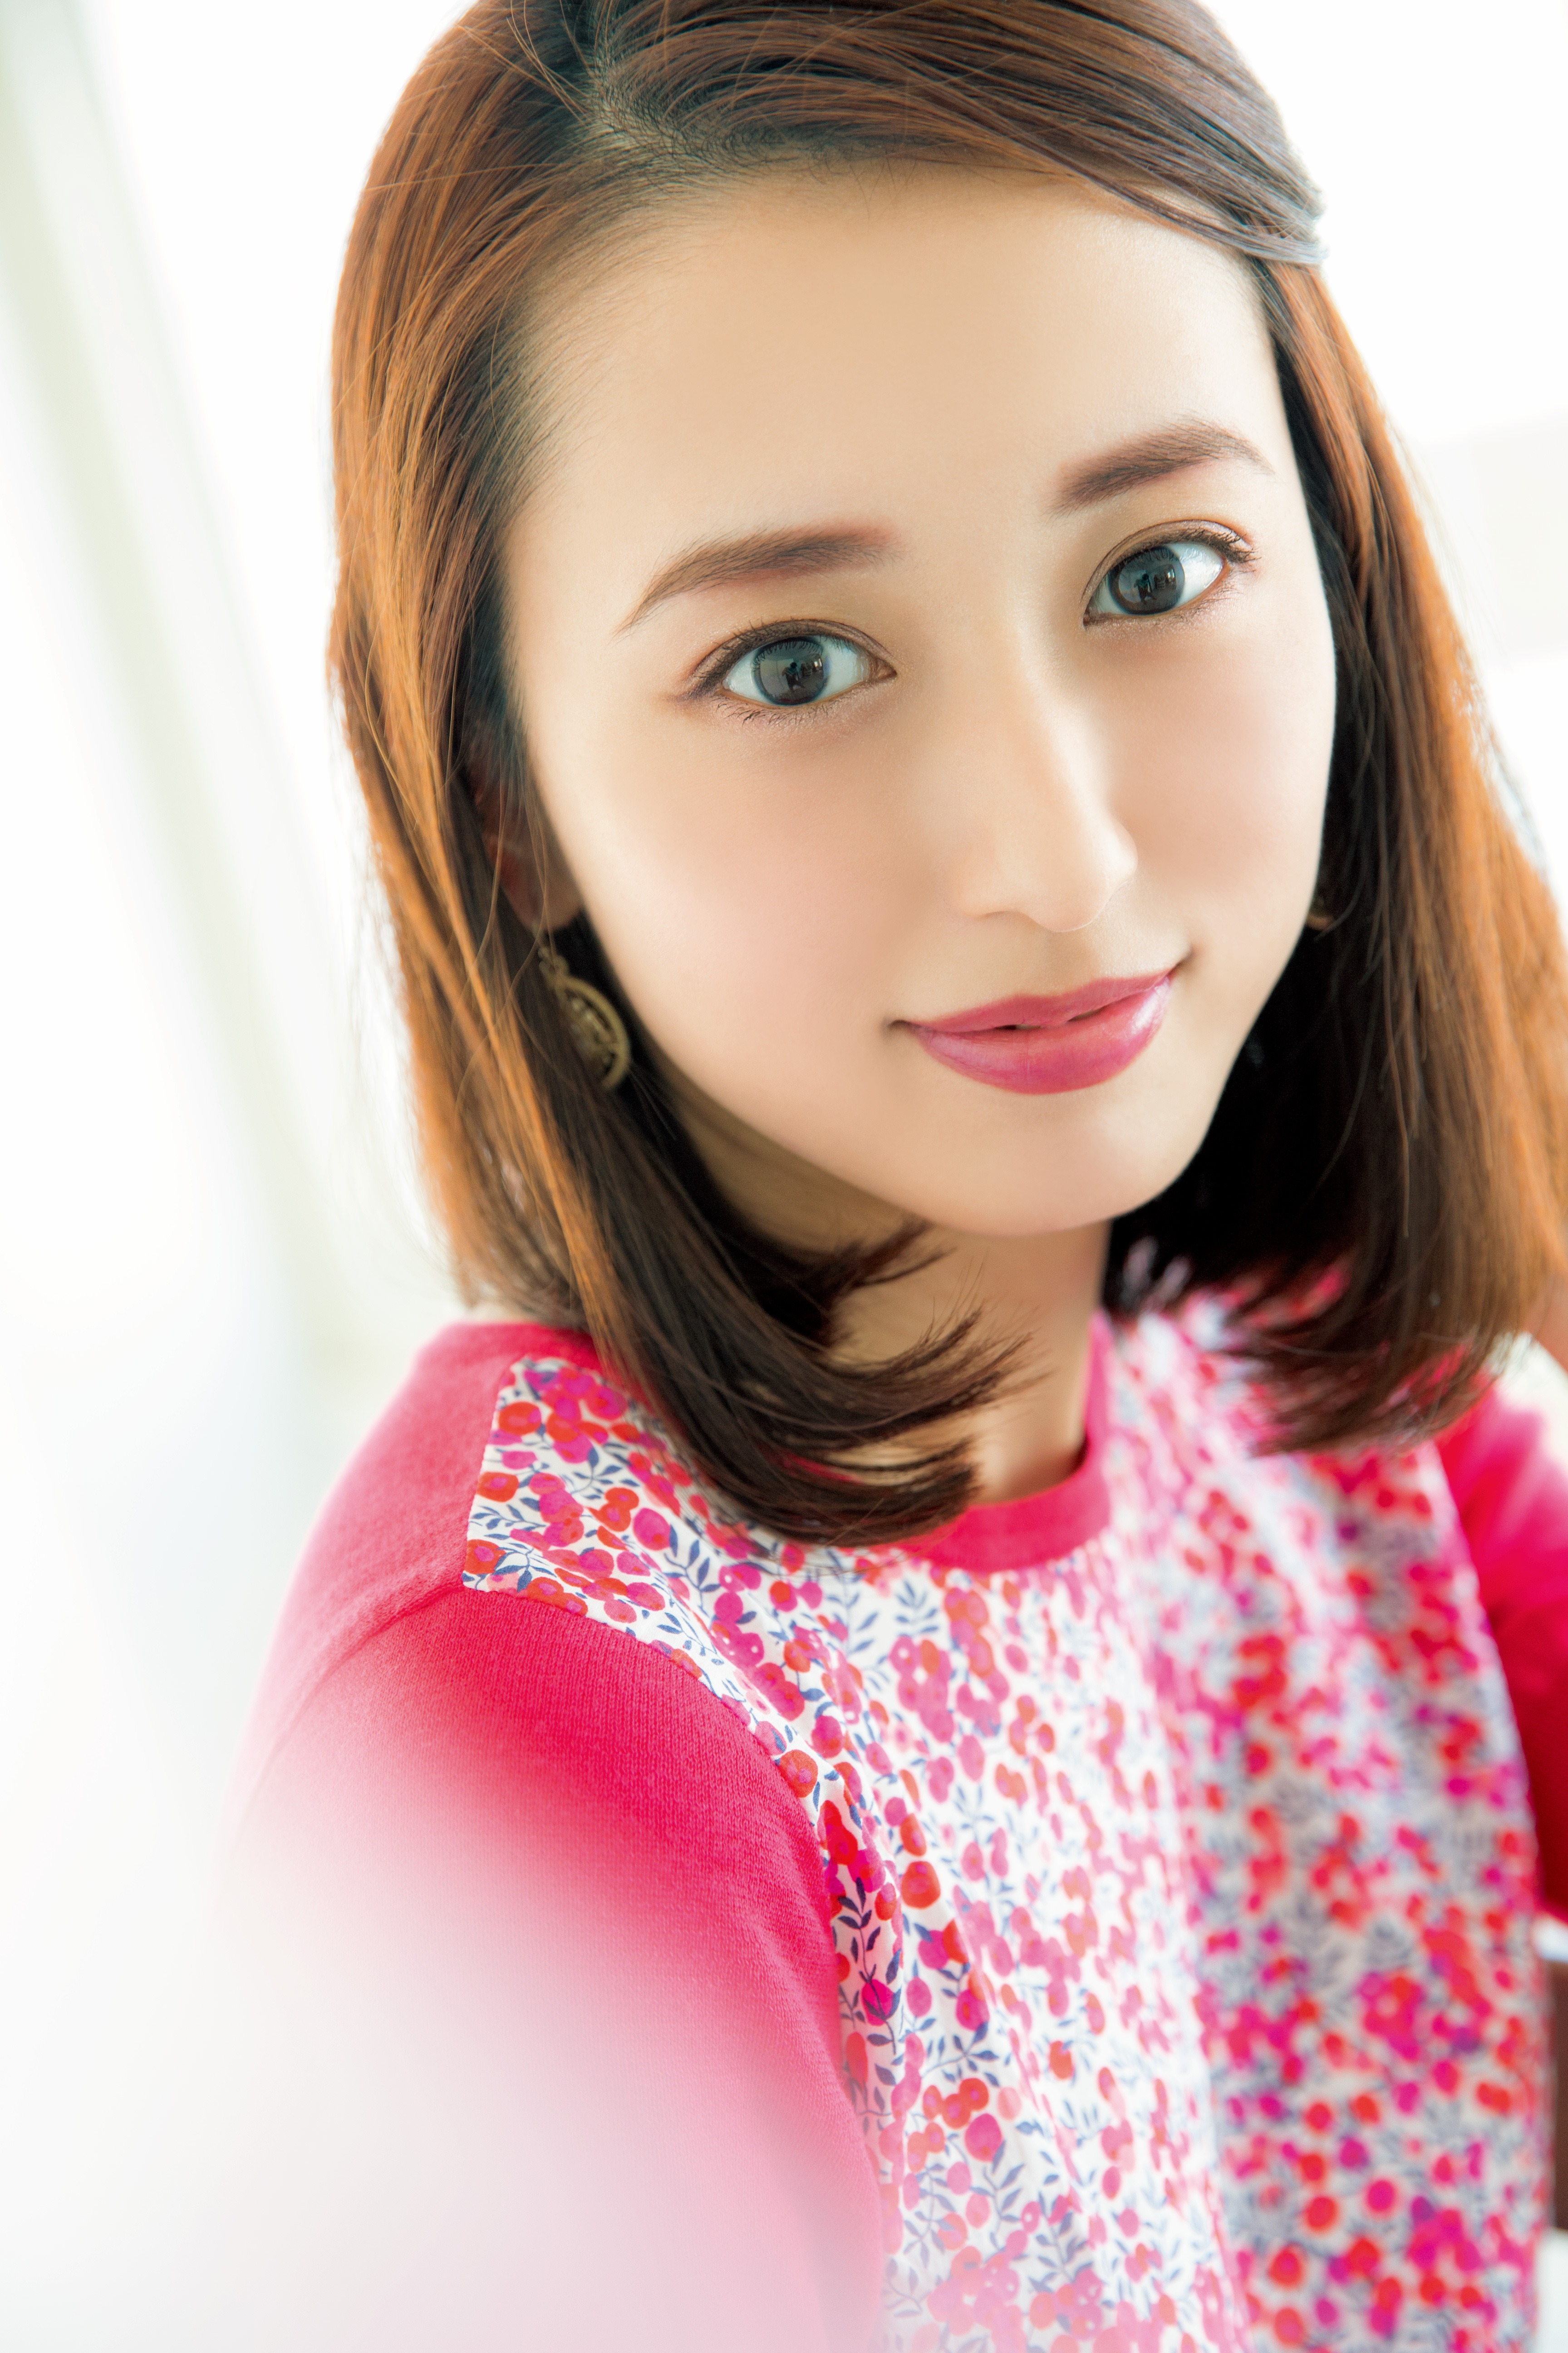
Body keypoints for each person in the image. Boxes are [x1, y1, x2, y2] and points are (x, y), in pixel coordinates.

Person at [221, 4, 1568, 2348]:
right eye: (794, 664)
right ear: (509, 806)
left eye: (1157, 573)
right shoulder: (531, 1726)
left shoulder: (1290, 1373)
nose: (1056, 855)